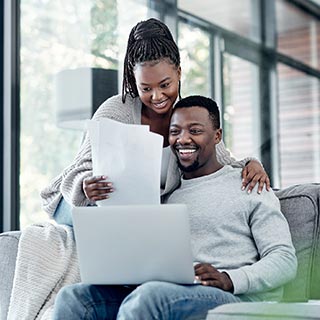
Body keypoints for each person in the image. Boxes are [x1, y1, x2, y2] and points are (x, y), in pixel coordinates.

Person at [52, 95, 297, 320]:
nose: (183, 139)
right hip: (168, 290)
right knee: (75, 299)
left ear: (217, 135)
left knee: (146, 299)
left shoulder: (248, 184)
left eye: (195, 130)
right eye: (175, 131)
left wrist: (229, 279)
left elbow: (284, 259)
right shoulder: (168, 193)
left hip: (235, 298)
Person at [40, 18, 270, 225]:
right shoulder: (116, 110)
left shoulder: (187, 117)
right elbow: (79, 168)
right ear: (134, 80)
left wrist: (252, 165)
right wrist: (84, 185)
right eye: (146, 88)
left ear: (179, 73)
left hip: (132, 214)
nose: (157, 96)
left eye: (165, 85)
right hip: (74, 203)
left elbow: (220, 160)